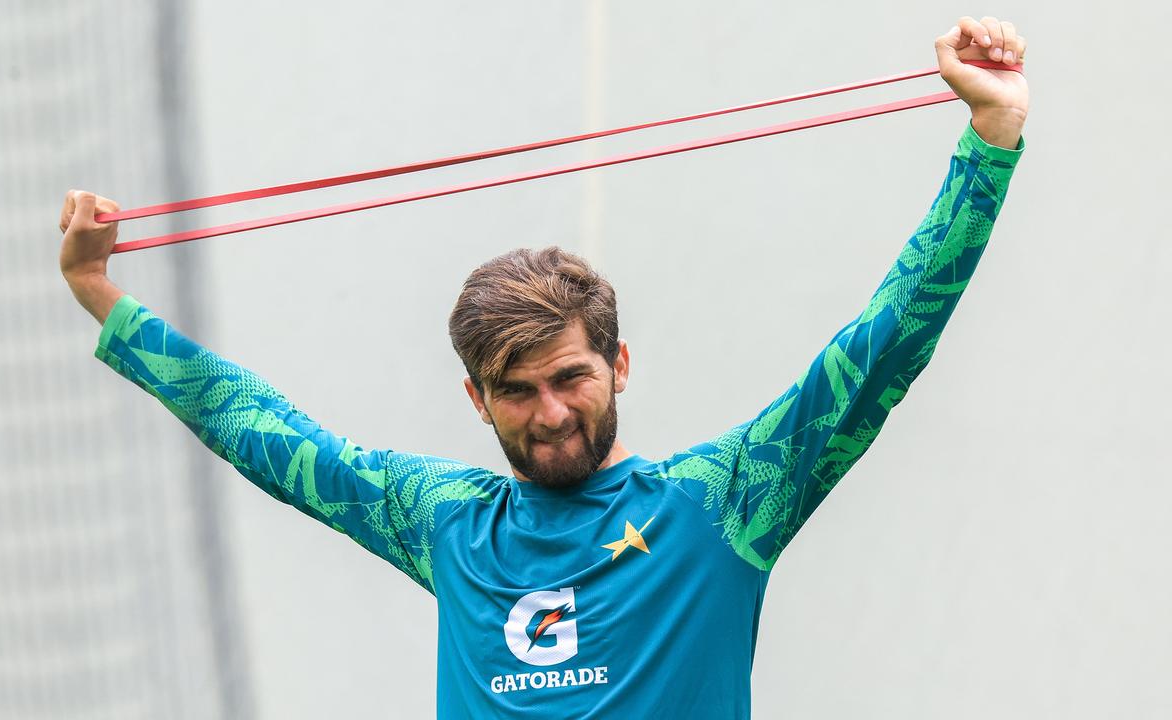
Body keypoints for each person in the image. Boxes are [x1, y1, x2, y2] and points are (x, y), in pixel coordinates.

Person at [59, 16, 1027, 719]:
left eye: (570, 377)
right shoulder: (440, 520)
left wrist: (988, 142)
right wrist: (104, 298)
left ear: (620, 364)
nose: (551, 411)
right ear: (474, 399)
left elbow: (880, 349)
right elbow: (261, 431)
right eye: (516, 392)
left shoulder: (723, 500)